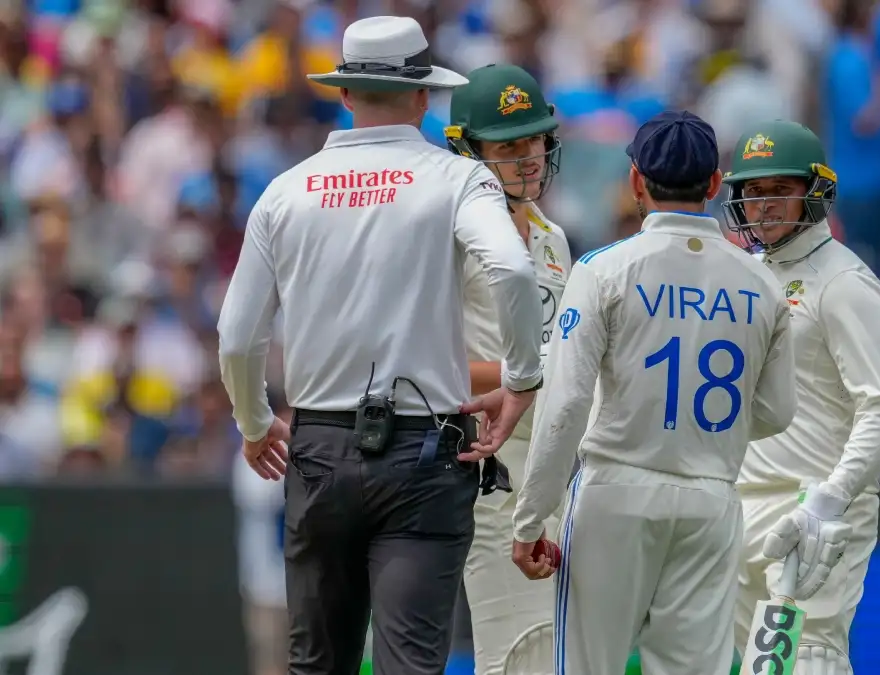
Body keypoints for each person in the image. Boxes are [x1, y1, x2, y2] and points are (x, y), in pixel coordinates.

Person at [216, 16, 546, 675]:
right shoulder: (457, 180)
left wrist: (255, 422)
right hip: (424, 449)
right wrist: (521, 378)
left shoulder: (287, 191)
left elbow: (236, 334)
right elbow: (512, 269)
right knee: (410, 662)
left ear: (344, 93)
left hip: (318, 446)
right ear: (424, 96)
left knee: (317, 663)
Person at [511, 110, 798, 675]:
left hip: (615, 490)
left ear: (637, 181)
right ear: (716, 185)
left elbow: (565, 404)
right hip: (711, 497)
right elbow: (775, 411)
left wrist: (529, 521)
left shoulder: (603, 269)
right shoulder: (761, 281)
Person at [721, 119, 880, 675]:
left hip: (812, 508)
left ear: (815, 191)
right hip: (739, 508)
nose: (765, 205)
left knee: (804, 662)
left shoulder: (845, 282)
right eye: (753, 192)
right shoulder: (747, 274)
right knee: (754, 668)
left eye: (780, 190)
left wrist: (830, 501)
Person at [444, 63, 571, 675]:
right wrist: (529, 376)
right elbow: (418, 366)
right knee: (516, 656)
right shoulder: (448, 238)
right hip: (487, 475)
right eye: (509, 146)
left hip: (557, 474)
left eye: (536, 141)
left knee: (559, 655)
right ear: (467, 151)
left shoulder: (553, 238)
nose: (528, 159)